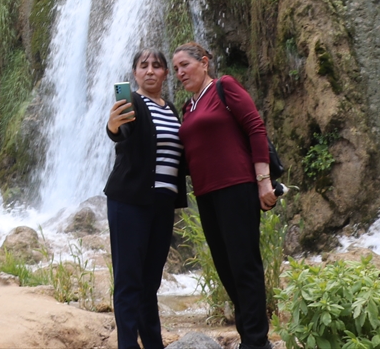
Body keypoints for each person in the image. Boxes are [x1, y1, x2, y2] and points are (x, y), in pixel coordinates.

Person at [174, 42, 276, 349]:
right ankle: (250, 337)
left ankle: (257, 342)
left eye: (185, 65)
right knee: (227, 269)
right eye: (176, 68)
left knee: (245, 266)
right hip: (206, 196)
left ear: (204, 63)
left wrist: (263, 181)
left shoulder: (224, 87)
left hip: (237, 188)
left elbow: (256, 128)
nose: (179, 72)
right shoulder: (188, 108)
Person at [105, 49, 187, 349]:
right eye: (144, 66)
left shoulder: (172, 110)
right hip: (129, 203)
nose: (150, 70)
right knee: (129, 282)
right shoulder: (132, 103)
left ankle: (153, 344)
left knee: (150, 283)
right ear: (135, 73)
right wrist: (113, 125)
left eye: (157, 66)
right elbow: (120, 131)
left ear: (166, 73)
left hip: (163, 206)